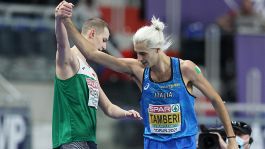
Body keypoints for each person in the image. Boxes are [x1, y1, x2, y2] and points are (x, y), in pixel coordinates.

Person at [57, 2, 238, 149]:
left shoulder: (186, 69)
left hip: (184, 144)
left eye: (143, 54)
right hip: (153, 145)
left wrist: (231, 138)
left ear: (158, 50)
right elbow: (92, 54)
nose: (139, 58)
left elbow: (216, 99)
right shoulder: (137, 69)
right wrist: (66, 21)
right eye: (137, 53)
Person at [53, 1, 142, 149]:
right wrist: (59, 19)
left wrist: (126, 113)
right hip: (70, 139)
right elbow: (61, 43)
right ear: (92, 33)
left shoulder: (91, 72)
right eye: (104, 40)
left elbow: (108, 107)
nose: (105, 47)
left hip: (89, 140)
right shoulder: (69, 60)